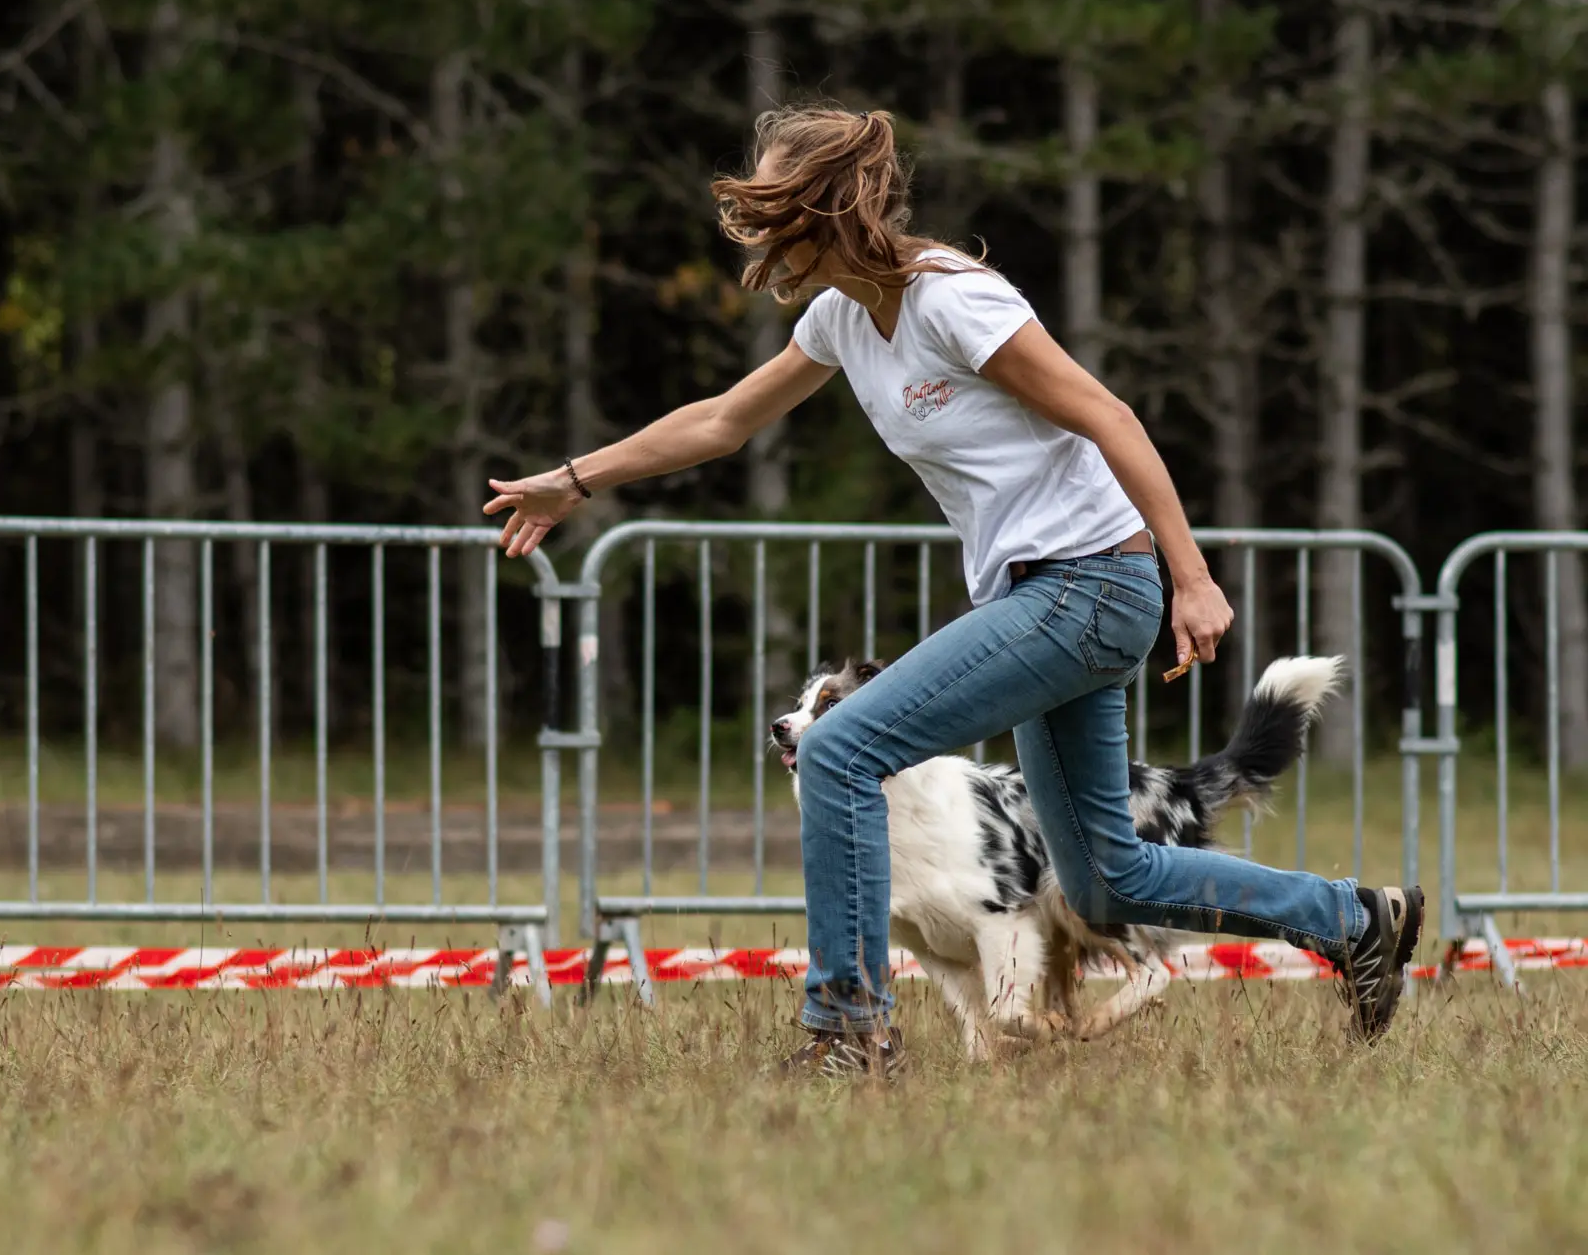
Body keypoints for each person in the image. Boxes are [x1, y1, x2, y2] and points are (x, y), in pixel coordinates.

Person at [482, 104, 1423, 1077]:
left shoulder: (953, 300)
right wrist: (576, 478)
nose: (757, 237)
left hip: (1088, 585)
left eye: (771, 209)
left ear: (827, 206)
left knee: (840, 748)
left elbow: (1108, 415)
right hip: (1046, 598)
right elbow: (721, 422)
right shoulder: (841, 319)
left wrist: (1189, 576)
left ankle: (847, 1029)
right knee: (1104, 882)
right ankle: (1354, 921)